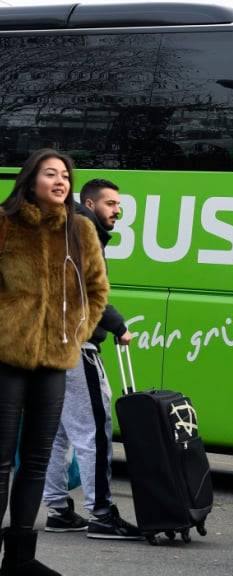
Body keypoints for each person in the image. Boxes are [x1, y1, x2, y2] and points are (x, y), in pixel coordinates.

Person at [0, 149, 108, 575]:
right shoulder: (5, 225)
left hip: (55, 360)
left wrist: (76, 333)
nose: (61, 181)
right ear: (31, 181)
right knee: (1, 460)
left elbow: (97, 291)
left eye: (65, 175)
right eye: (50, 174)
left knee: (39, 461)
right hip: (7, 357)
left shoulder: (80, 229)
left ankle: (20, 560)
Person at [42, 178, 142, 540]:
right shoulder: (84, 233)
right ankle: (101, 513)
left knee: (56, 432)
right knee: (94, 431)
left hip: (47, 344)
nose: (118, 211)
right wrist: (118, 326)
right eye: (112, 204)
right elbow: (86, 290)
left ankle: (57, 508)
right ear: (90, 202)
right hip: (76, 345)